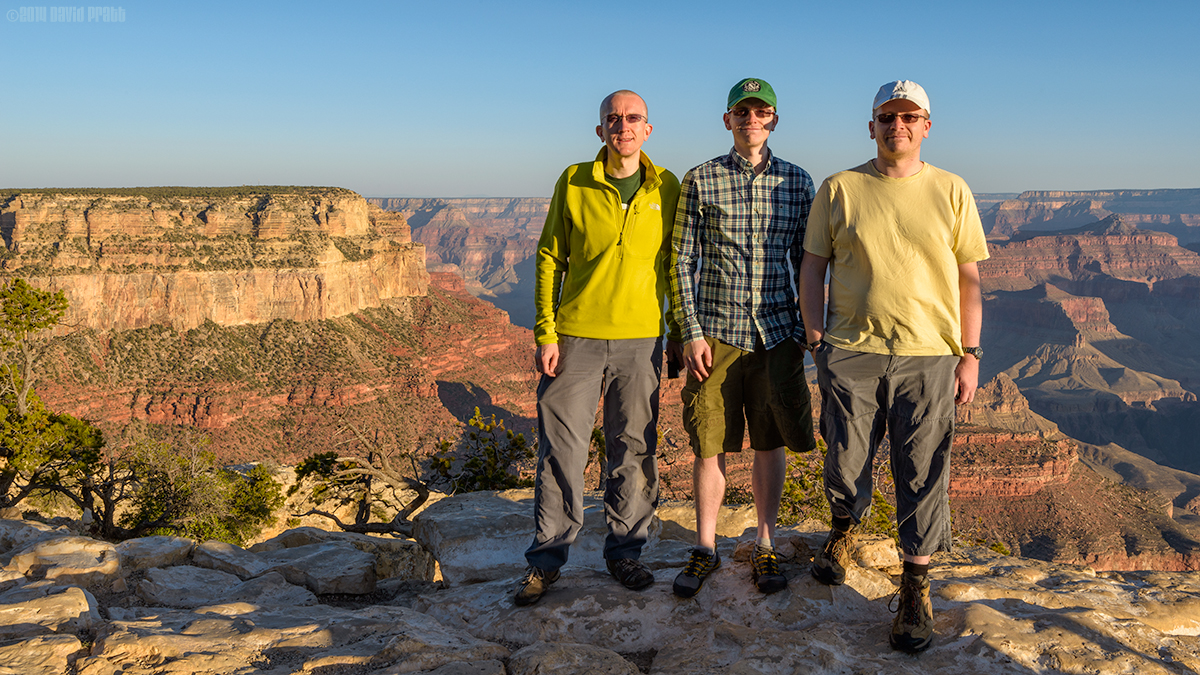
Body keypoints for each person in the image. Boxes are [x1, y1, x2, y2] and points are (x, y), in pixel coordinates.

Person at [800, 80, 988, 653]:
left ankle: (915, 584)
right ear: (872, 125)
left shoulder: (952, 190)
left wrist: (970, 354)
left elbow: (969, 280)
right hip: (851, 349)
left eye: (909, 117)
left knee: (923, 467)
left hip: (930, 352)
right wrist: (816, 338)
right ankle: (842, 530)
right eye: (887, 117)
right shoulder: (840, 188)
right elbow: (813, 267)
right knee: (845, 453)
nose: (897, 126)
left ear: (926, 125)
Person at [514, 90, 682, 606]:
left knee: (632, 447)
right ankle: (546, 560)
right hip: (576, 338)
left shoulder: (668, 186)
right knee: (561, 450)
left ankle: (626, 552)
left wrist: (677, 331)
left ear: (647, 129)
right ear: (600, 130)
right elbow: (549, 257)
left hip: (643, 339)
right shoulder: (574, 179)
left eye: (633, 119)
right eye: (613, 119)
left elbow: (677, 264)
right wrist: (545, 331)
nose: (623, 126)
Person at [668, 77, 816, 599]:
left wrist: (803, 328)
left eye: (761, 111)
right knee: (709, 443)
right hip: (718, 334)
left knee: (769, 441)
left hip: (777, 334)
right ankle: (705, 547)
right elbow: (681, 260)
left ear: (774, 119)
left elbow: (807, 262)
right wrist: (690, 332)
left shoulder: (799, 183)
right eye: (741, 111)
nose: (751, 119)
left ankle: (766, 541)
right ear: (727, 119)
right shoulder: (700, 180)